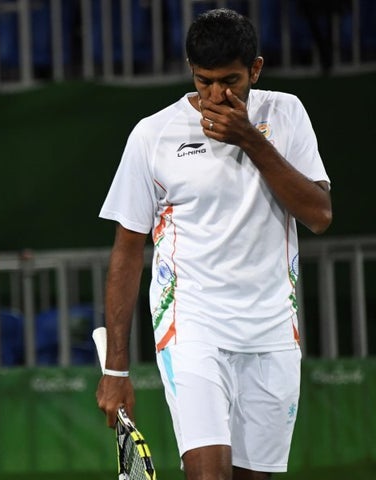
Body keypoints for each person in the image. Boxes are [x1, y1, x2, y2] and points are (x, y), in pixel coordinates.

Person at [96, 8, 331, 480]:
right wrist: (117, 370)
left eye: (231, 81)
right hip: (193, 328)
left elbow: (319, 214)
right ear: (190, 71)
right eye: (204, 82)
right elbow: (126, 252)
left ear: (256, 70)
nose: (216, 95)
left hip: (272, 332)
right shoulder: (152, 135)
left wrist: (251, 140)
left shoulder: (286, 115)